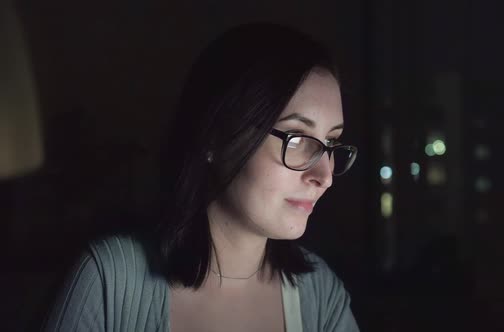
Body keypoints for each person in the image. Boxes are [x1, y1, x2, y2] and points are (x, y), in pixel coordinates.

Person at [43, 22, 359, 332]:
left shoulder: (321, 296)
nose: (325, 175)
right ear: (215, 137)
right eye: (298, 137)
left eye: (331, 143)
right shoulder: (109, 281)